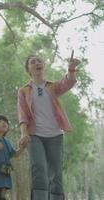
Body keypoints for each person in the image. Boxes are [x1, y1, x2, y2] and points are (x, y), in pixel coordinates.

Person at [17, 54, 81, 200]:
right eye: (33, 62)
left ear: (43, 66)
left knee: (56, 173)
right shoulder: (24, 90)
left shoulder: (52, 86)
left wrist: (71, 69)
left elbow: (68, 83)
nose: (37, 63)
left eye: (39, 61)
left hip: (55, 135)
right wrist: (23, 133)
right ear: (28, 69)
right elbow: (22, 115)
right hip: (35, 135)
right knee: (39, 168)